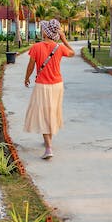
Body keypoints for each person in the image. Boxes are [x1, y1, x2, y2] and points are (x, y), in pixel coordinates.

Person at [23, 19, 75, 159]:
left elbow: (31, 65)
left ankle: (48, 147)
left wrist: (26, 77)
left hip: (42, 85)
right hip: (57, 85)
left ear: (45, 32)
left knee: (43, 115)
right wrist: (64, 39)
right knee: (52, 112)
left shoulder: (36, 47)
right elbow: (72, 53)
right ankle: (48, 141)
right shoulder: (59, 48)